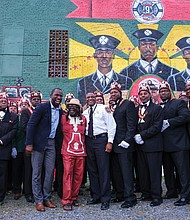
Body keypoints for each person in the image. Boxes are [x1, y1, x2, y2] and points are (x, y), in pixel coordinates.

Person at [25, 88, 63, 212]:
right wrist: (29, 143)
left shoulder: (60, 110)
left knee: (50, 171)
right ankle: (38, 200)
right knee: (36, 172)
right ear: (51, 95)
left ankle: (47, 198)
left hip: (51, 143)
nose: (59, 97)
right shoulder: (42, 108)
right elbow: (31, 125)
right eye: (56, 95)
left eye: (60, 96)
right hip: (38, 144)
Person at [83, 92, 116, 210]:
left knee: (103, 170)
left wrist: (110, 142)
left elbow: (112, 125)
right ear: (86, 99)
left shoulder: (104, 109)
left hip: (101, 140)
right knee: (92, 170)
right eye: (88, 97)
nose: (90, 99)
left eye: (92, 97)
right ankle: (95, 196)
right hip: (89, 141)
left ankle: (105, 199)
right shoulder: (85, 113)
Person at [159, 81, 190, 206]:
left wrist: (169, 122)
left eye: (165, 90)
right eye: (161, 91)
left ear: (170, 92)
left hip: (179, 144)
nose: (163, 93)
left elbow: (185, 117)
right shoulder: (159, 106)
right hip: (165, 145)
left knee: (183, 172)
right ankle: (171, 191)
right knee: (168, 171)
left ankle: (185, 195)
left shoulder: (179, 103)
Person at [77, 35, 129, 106]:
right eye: (100, 52)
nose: (104, 56)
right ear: (95, 55)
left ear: (113, 56)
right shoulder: (83, 83)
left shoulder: (126, 81)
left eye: (108, 53)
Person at [109, 82, 138, 208]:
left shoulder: (128, 104)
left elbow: (132, 125)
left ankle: (130, 198)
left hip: (124, 144)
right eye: (111, 93)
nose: (113, 94)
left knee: (126, 173)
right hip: (114, 145)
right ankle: (120, 194)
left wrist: (127, 140)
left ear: (120, 93)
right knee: (117, 172)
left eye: (115, 92)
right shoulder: (111, 106)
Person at [134, 84, 163, 207]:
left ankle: (157, 196)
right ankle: (146, 193)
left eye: (145, 93)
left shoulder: (156, 108)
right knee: (143, 171)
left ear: (150, 94)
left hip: (153, 145)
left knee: (154, 171)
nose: (143, 96)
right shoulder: (137, 109)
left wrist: (143, 135)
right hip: (140, 146)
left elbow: (157, 126)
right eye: (141, 94)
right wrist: (136, 135)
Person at [61, 98, 87, 211]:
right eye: (70, 106)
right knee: (67, 175)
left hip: (81, 151)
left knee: (78, 176)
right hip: (67, 151)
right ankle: (66, 200)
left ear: (79, 109)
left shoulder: (84, 119)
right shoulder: (63, 118)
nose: (72, 108)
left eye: (74, 106)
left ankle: (74, 196)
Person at [20, 90, 42, 203]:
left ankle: (37, 192)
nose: (36, 101)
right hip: (29, 144)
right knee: (28, 169)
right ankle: (28, 193)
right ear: (30, 100)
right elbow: (23, 127)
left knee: (38, 170)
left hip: (40, 145)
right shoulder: (25, 112)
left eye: (38, 99)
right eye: (34, 99)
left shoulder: (43, 111)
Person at [0, 92, 18, 205]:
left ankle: (1, 196)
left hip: (4, 148)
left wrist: (2, 140)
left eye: (4, 101)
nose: (3, 103)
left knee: (2, 174)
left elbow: (14, 131)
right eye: (1, 101)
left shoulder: (13, 116)